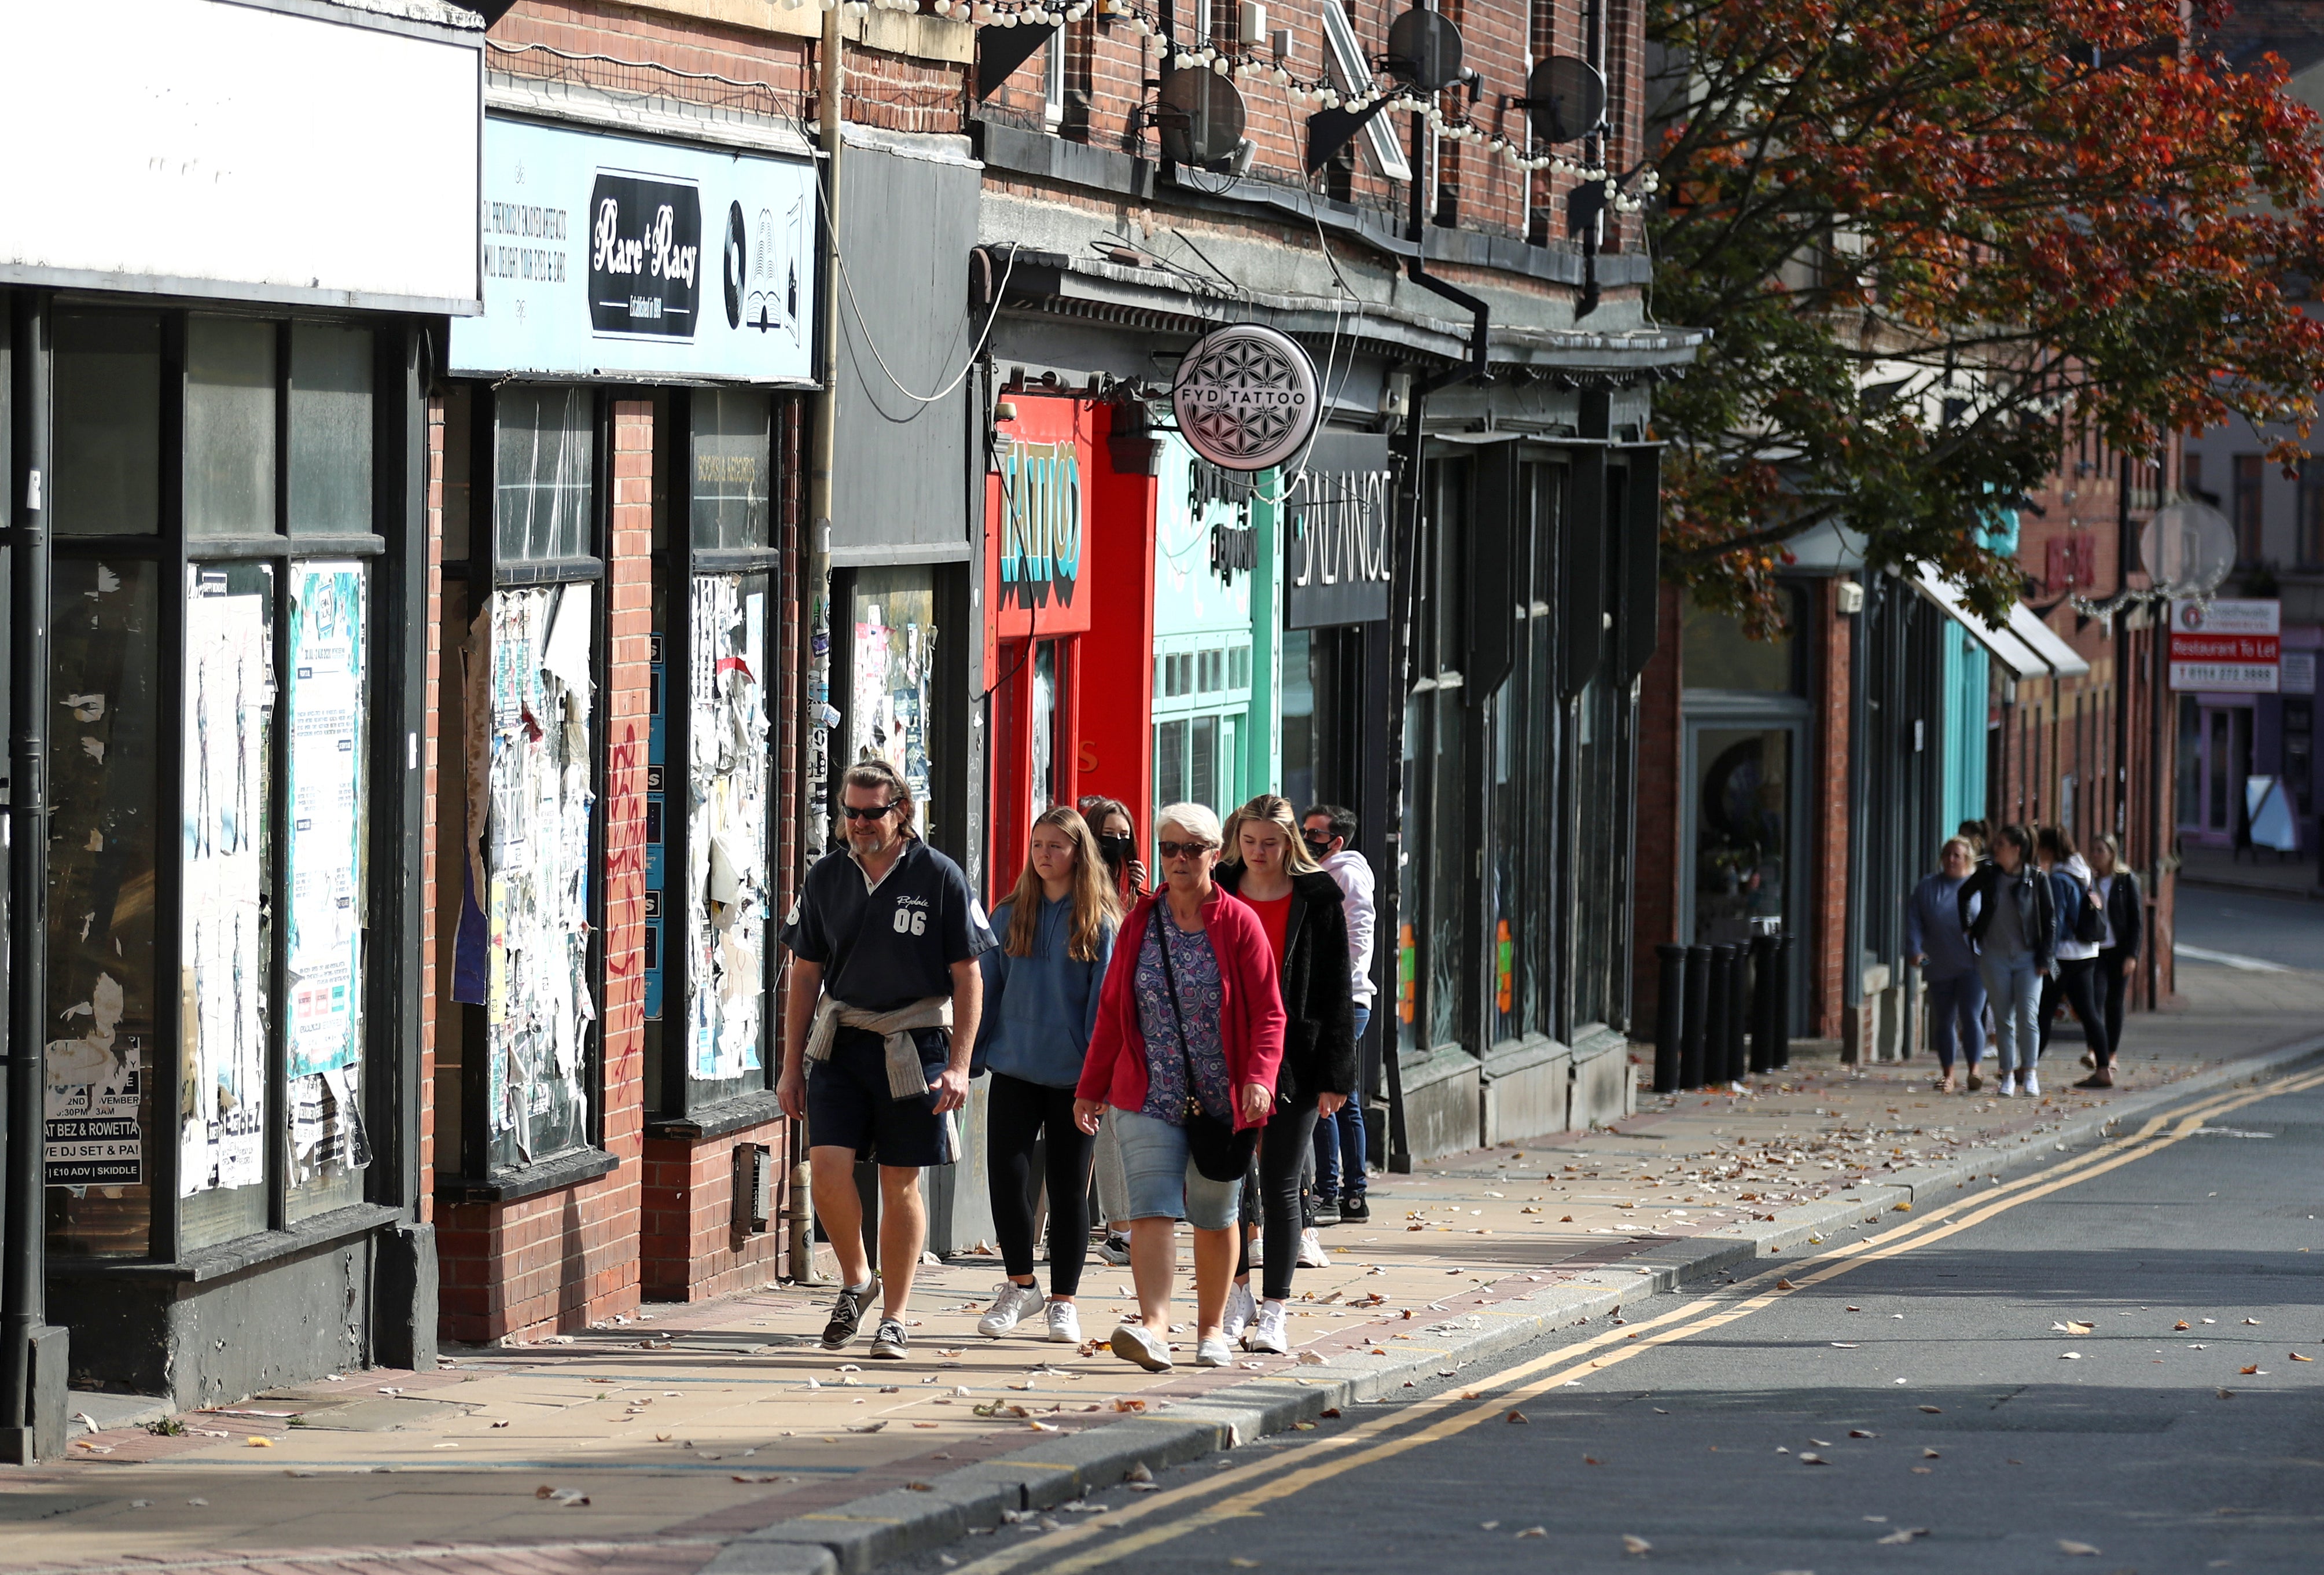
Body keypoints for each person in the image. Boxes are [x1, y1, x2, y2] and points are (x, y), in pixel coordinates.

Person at [778, 759, 994, 1360]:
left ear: (900, 811)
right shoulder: (826, 878)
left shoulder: (939, 876)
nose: (859, 824)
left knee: (900, 1183)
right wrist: (791, 1064)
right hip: (842, 1040)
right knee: (827, 1172)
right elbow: (804, 974)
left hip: (914, 1040)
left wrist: (957, 1064)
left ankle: (894, 1317)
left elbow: (968, 975)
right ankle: (857, 1279)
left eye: (872, 813)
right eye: (849, 812)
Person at [1073, 803, 1284, 1372]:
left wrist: (1259, 1079)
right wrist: (1090, 1087)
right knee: (1151, 1208)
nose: (1180, 859)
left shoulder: (1239, 924)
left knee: (1216, 1214)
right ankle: (1154, 1325)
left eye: (1193, 849)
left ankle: (1212, 1329)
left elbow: (1268, 1014)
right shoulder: (1141, 922)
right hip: (1146, 1091)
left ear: (1216, 855)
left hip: (1223, 1097)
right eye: (1169, 848)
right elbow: (1114, 1010)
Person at [1216, 795, 1356, 1355]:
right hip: (1223, 1055)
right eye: (1248, 842)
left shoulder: (1317, 896)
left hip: (1294, 1058)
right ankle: (1236, 1296)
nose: (1258, 853)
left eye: (1268, 843)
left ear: (1288, 844)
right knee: (1223, 1187)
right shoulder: (1217, 887)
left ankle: (1274, 1309)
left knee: (1278, 1187)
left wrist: (1336, 1076)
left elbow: (1334, 989)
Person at [975, 806, 1120, 1346]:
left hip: (1074, 1081)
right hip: (1014, 1067)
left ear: (1079, 853)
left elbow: (1106, 1009)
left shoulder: (1101, 922)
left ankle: (1064, 1301)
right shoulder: (1009, 914)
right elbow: (985, 989)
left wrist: (1096, 1080)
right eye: (1038, 844)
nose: (1043, 854)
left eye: (1056, 845)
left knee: (1066, 1191)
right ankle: (1020, 1285)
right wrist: (968, 1062)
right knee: (1007, 1182)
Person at [1302, 804, 1374, 1224]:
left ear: (1337, 842)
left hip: (1344, 1002)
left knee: (1325, 1095)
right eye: (1305, 830)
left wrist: (1335, 983)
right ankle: (1352, 1196)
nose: (1307, 839)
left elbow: (1358, 931)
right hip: (1348, 999)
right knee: (1345, 1100)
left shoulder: (1343, 873)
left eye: (1316, 834)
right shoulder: (1334, 871)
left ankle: (1329, 1193)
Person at [1957, 823, 2055, 1099]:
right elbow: (1964, 894)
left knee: (2028, 1016)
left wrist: (2045, 956)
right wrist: (1968, 925)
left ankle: (2031, 1073)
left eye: (2001, 844)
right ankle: (2007, 1076)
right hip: (1994, 957)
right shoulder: (1989, 874)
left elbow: (2050, 921)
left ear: (2016, 850)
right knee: (2003, 1019)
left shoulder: (2037, 879)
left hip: (2028, 959)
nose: (1995, 849)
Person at [1907, 836, 1985, 1093]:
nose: (1951, 860)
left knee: (1971, 1016)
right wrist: (1915, 949)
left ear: (1968, 859)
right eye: (1948, 855)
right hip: (1938, 963)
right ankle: (1948, 1074)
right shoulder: (1928, 887)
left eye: (1958, 855)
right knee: (1945, 1020)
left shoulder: (1980, 886)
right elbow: (1915, 922)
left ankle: (1975, 1070)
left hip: (1973, 965)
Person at [2034, 825, 2108, 1084]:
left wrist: (2046, 958)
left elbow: (2057, 922)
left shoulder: (2058, 879)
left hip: (2064, 956)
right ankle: (2104, 1069)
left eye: (2040, 847)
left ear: (2049, 849)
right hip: (2088, 952)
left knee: (2044, 1011)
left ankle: (2027, 1068)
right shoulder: (2082, 870)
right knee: (2089, 1013)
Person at [2082, 833, 2143, 1089]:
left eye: (2101, 850)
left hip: (2118, 950)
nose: (2095, 855)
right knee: (2093, 1001)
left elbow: (2136, 921)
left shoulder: (2125, 880)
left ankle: (2112, 1054)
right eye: (2093, 850)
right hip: (2095, 951)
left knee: (2114, 1003)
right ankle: (2096, 1051)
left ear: (2112, 853)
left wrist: (2132, 955)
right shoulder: (2088, 881)